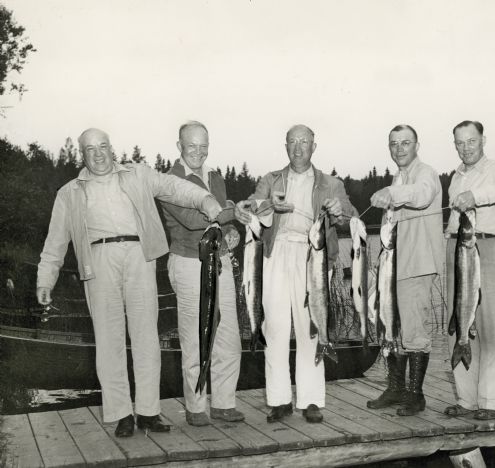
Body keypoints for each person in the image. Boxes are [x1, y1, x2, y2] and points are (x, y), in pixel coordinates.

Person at [36, 128, 222, 437]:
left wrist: (204, 199)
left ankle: (149, 412)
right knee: (108, 340)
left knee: (146, 336)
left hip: (140, 255)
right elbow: (55, 241)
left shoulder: (137, 174)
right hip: (97, 260)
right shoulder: (69, 192)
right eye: (90, 149)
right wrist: (46, 278)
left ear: (112, 148)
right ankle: (121, 414)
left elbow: (173, 187)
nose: (98, 153)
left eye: (103, 146)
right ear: (82, 155)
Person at [234, 124, 356, 424]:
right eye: (292, 142)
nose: (298, 147)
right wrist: (266, 205)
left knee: (310, 326)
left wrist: (340, 211)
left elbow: (351, 218)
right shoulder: (270, 179)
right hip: (275, 255)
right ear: (285, 146)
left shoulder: (331, 183)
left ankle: (311, 400)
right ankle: (278, 400)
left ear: (314, 146)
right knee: (274, 327)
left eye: (304, 142)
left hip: (312, 256)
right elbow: (250, 207)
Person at [160, 121, 244, 426]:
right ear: (179, 145)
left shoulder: (215, 178)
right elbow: (195, 220)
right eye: (192, 145)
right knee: (195, 337)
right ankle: (196, 407)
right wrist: (239, 209)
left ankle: (223, 403)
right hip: (188, 264)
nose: (198, 152)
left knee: (228, 336)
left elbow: (220, 221)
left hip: (219, 262)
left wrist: (232, 230)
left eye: (204, 146)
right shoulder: (169, 180)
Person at [444, 120, 495, 420]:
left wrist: (475, 198)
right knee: (458, 324)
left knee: (491, 328)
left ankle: (492, 401)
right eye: (459, 143)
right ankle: (466, 400)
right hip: (458, 250)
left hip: (488, 250)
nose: (466, 148)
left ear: (483, 140)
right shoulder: (455, 176)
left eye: (471, 141)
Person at [368, 125, 444, 415]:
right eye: (394, 144)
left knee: (414, 331)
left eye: (405, 143)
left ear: (417, 145)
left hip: (418, 264)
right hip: (396, 264)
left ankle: (416, 395)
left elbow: (422, 195)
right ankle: (397, 388)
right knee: (392, 328)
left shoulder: (426, 173)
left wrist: (391, 191)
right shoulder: (399, 176)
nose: (399, 149)